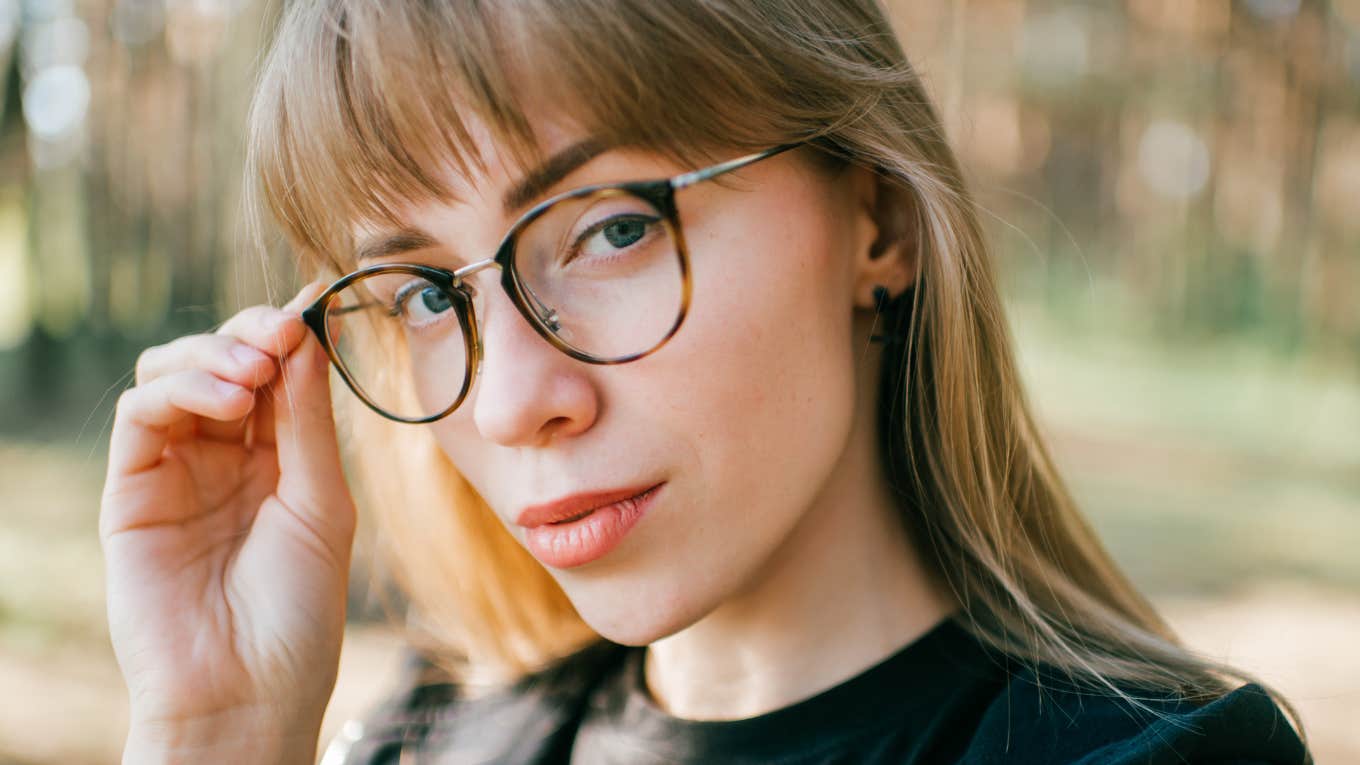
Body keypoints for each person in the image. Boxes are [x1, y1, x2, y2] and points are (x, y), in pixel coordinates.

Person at [99, 1, 1312, 763]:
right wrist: (218, 739)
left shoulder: (1151, 760)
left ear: (876, 222)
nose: (512, 403)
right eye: (423, 294)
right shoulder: (428, 738)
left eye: (614, 229)